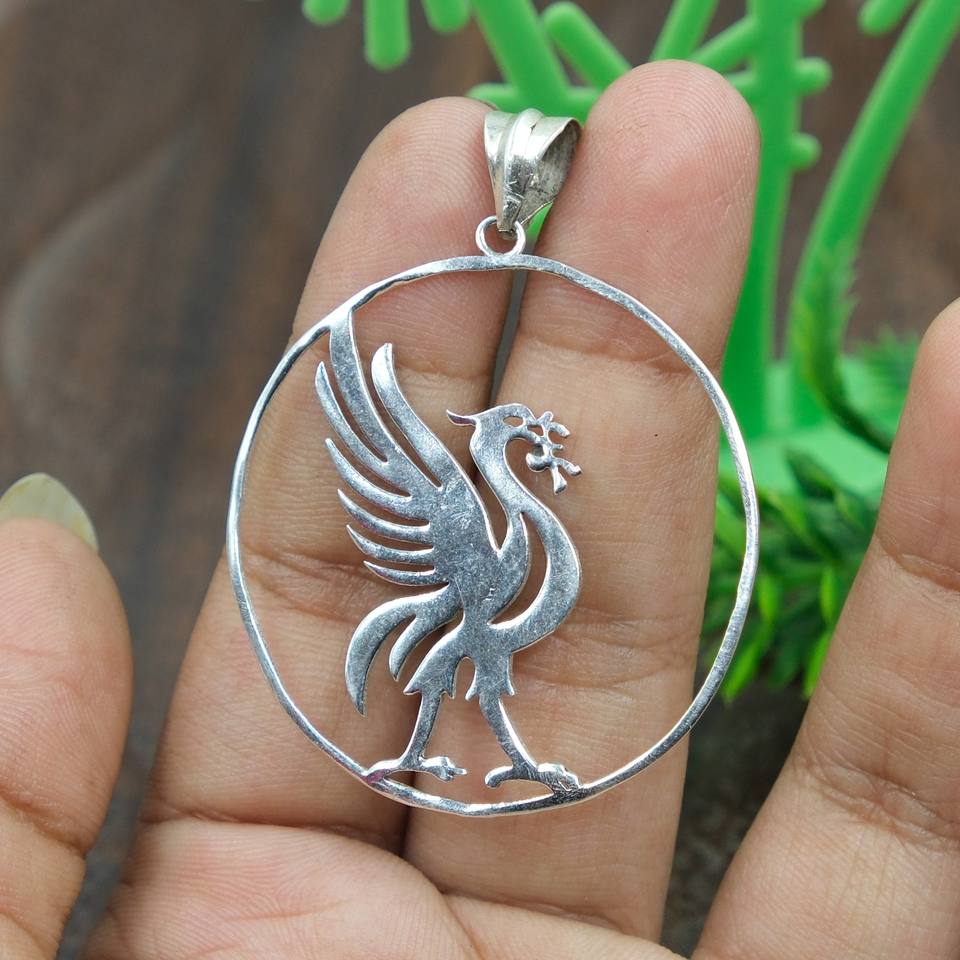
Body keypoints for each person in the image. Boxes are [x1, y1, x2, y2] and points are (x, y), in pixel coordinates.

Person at [2, 62, 958, 959]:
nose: (537, 449)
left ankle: (478, 755)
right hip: (461, 622)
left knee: (487, 664)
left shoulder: (511, 541)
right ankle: (428, 749)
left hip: (482, 628)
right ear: (498, 442)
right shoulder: (470, 525)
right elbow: (471, 556)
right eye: (516, 439)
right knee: (472, 661)